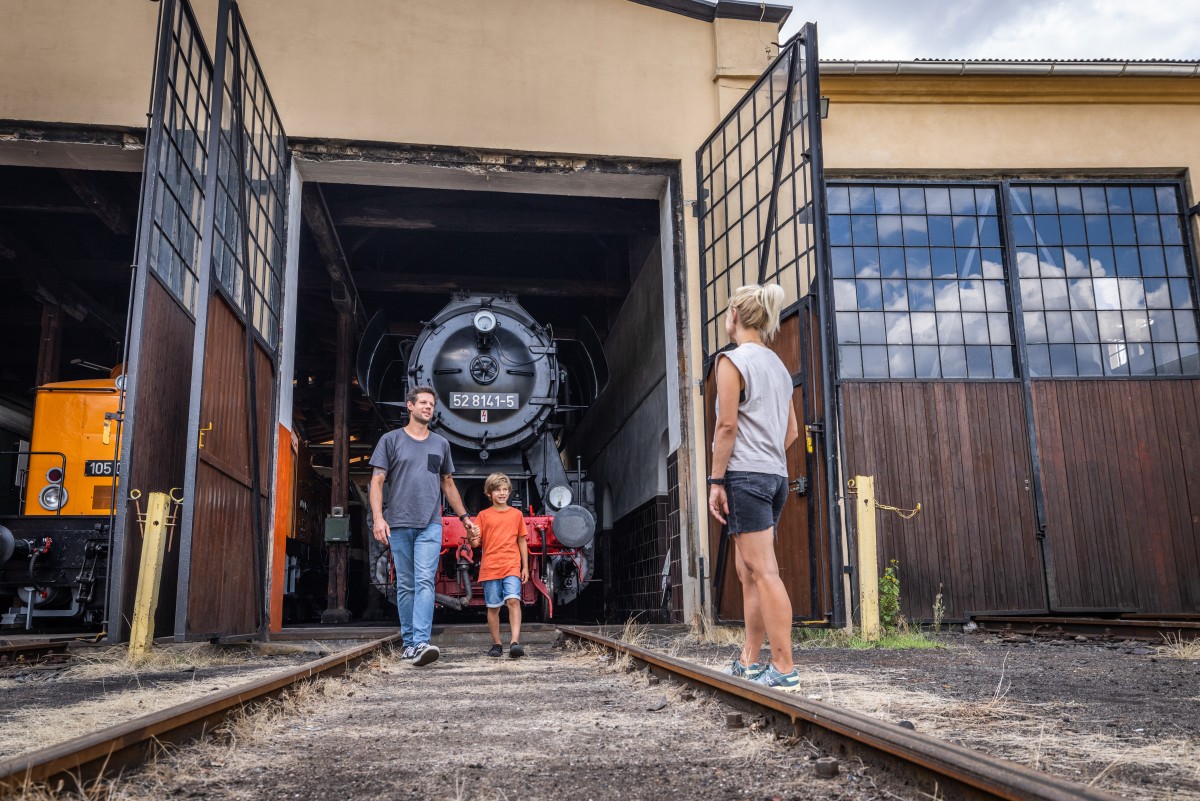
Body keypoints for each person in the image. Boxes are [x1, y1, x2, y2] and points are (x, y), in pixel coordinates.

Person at [707, 283, 801, 689]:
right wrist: (766, 457)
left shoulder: (731, 361)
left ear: (735, 316)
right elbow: (792, 431)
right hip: (774, 475)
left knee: (763, 572)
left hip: (745, 476)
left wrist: (716, 480)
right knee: (748, 572)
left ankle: (783, 668)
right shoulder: (778, 365)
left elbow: (726, 426)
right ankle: (749, 660)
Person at [370, 385, 478, 667]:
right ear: (410, 406)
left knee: (424, 580)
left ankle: (420, 641)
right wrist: (378, 518)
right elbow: (377, 481)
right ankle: (409, 645)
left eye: (432, 404)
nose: (429, 408)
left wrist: (465, 519)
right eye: (424, 403)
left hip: (430, 523)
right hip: (399, 523)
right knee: (406, 584)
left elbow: (448, 483)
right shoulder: (391, 441)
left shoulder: (440, 444)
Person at [468, 472, 530, 658]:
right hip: (491, 566)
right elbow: (475, 543)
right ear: (489, 494)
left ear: (509, 492)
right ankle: (496, 643)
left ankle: (515, 642)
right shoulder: (483, 516)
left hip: (511, 564)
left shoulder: (517, 515)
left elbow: (522, 541)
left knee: (513, 600)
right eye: (497, 490)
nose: (502, 493)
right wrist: (471, 535)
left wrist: (524, 567)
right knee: (493, 607)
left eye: (505, 490)